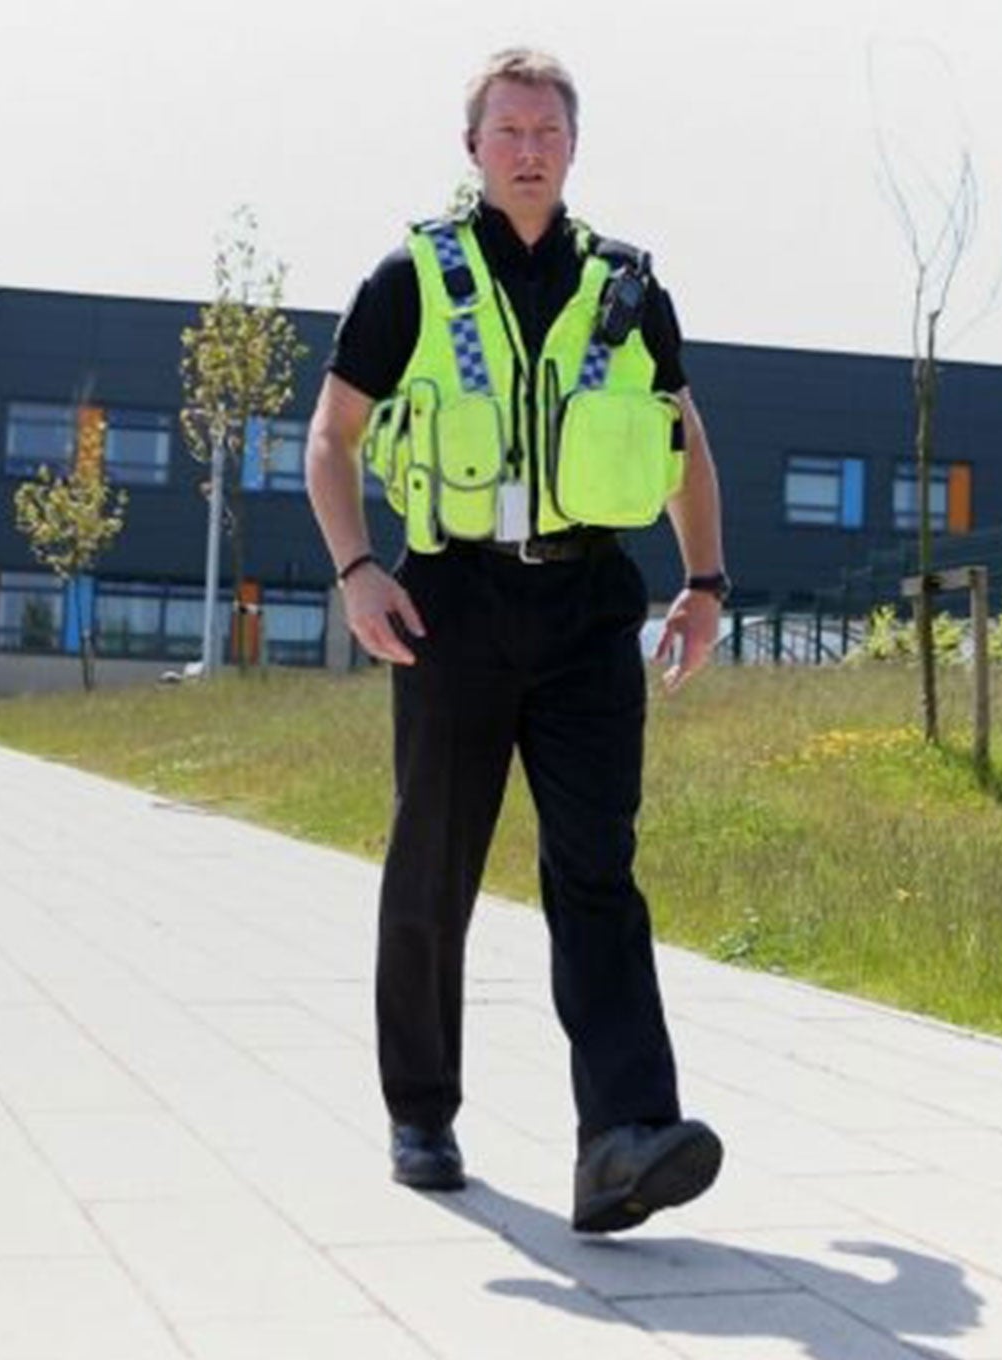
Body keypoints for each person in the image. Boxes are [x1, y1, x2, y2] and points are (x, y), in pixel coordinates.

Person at [304, 47, 728, 1234]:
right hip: (451, 604)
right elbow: (329, 441)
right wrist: (356, 571)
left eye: (547, 130)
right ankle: (421, 1111)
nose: (528, 148)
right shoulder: (411, 280)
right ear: (473, 149)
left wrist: (702, 583)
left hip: (591, 606)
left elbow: (682, 441)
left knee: (596, 869)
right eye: (508, 131)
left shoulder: (627, 288)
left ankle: (624, 1138)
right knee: (433, 863)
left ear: (573, 146)